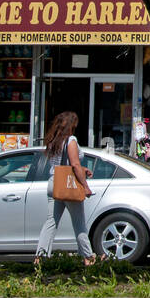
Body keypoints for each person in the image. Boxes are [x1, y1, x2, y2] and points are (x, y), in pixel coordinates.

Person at [35, 111, 96, 266]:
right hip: (68, 185)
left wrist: (82, 169)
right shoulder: (71, 140)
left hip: (53, 182)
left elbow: (63, 164)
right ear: (72, 125)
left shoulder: (53, 140)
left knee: (51, 222)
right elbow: (74, 164)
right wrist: (85, 186)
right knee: (79, 223)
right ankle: (88, 257)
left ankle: (40, 257)